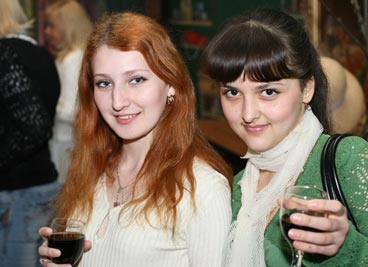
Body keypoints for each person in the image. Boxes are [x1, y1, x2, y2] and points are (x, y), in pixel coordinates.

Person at [201, 8, 368, 267]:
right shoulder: (240, 187)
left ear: (307, 88)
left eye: (269, 92)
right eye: (232, 93)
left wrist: (345, 247)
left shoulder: (349, 159)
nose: (248, 114)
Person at [38, 11, 232, 267]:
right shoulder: (92, 168)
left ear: (171, 85)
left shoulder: (202, 189)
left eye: (136, 80)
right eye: (104, 84)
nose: (118, 102)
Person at [0, 0, 61, 266]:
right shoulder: (39, 52)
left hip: (17, 191)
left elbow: (35, 125)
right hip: (43, 182)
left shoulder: (3, 54)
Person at [44, 0, 93, 182]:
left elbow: (71, 109)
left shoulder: (72, 59)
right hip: (69, 140)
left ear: (68, 27)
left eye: (52, 26)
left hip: (66, 142)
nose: (47, 32)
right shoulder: (77, 55)